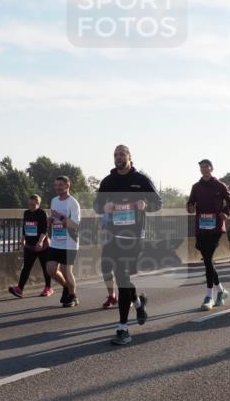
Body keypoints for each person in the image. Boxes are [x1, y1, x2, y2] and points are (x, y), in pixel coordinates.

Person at [94, 145, 162, 345]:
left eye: (122, 154)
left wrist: (146, 205)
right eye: (115, 154)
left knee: (124, 276)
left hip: (133, 238)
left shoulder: (141, 180)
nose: (118, 157)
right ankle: (125, 325)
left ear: (130, 157)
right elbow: (96, 205)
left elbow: (158, 203)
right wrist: (103, 207)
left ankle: (134, 311)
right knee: (121, 277)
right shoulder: (108, 181)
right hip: (112, 236)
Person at [186, 160, 230, 311]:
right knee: (207, 260)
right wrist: (190, 208)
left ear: (211, 168)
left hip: (216, 228)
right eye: (201, 167)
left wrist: (225, 213)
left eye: (206, 167)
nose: (204, 169)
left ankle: (209, 296)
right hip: (201, 227)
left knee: (208, 259)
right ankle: (221, 291)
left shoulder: (220, 185)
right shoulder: (196, 186)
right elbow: (190, 204)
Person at [46, 176, 82, 307]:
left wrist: (59, 217)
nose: (58, 188)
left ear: (68, 186)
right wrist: (50, 220)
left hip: (70, 243)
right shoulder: (54, 200)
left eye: (60, 185)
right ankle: (67, 287)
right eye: (56, 185)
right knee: (50, 269)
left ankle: (73, 297)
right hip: (56, 241)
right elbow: (53, 218)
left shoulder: (73, 203)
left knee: (67, 271)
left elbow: (75, 225)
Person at [8, 194, 53, 298]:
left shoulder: (42, 213)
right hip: (30, 245)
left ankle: (48, 287)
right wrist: (22, 240)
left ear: (38, 204)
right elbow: (25, 227)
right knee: (26, 268)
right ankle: (19, 289)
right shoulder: (26, 213)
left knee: (45, 267)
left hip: (42, 246)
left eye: (33, 204)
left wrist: (40, 242)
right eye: (29, 204)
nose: (31, 206)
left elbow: (44, 229)